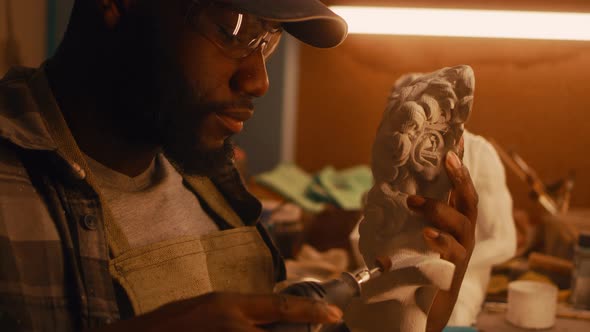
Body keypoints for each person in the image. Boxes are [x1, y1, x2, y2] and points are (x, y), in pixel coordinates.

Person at [0, 0, 478, 331]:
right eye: (234, 27)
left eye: (266, 39)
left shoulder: (209, 178)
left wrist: (402, 314)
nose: (258, 80)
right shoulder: (12, 183)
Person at [447, 130, 517, 326]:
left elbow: (504, 242)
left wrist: (452, 263)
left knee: (455, 315)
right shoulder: (401, 145)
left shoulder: (479, 154)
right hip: (407, 268)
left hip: (463, 278)